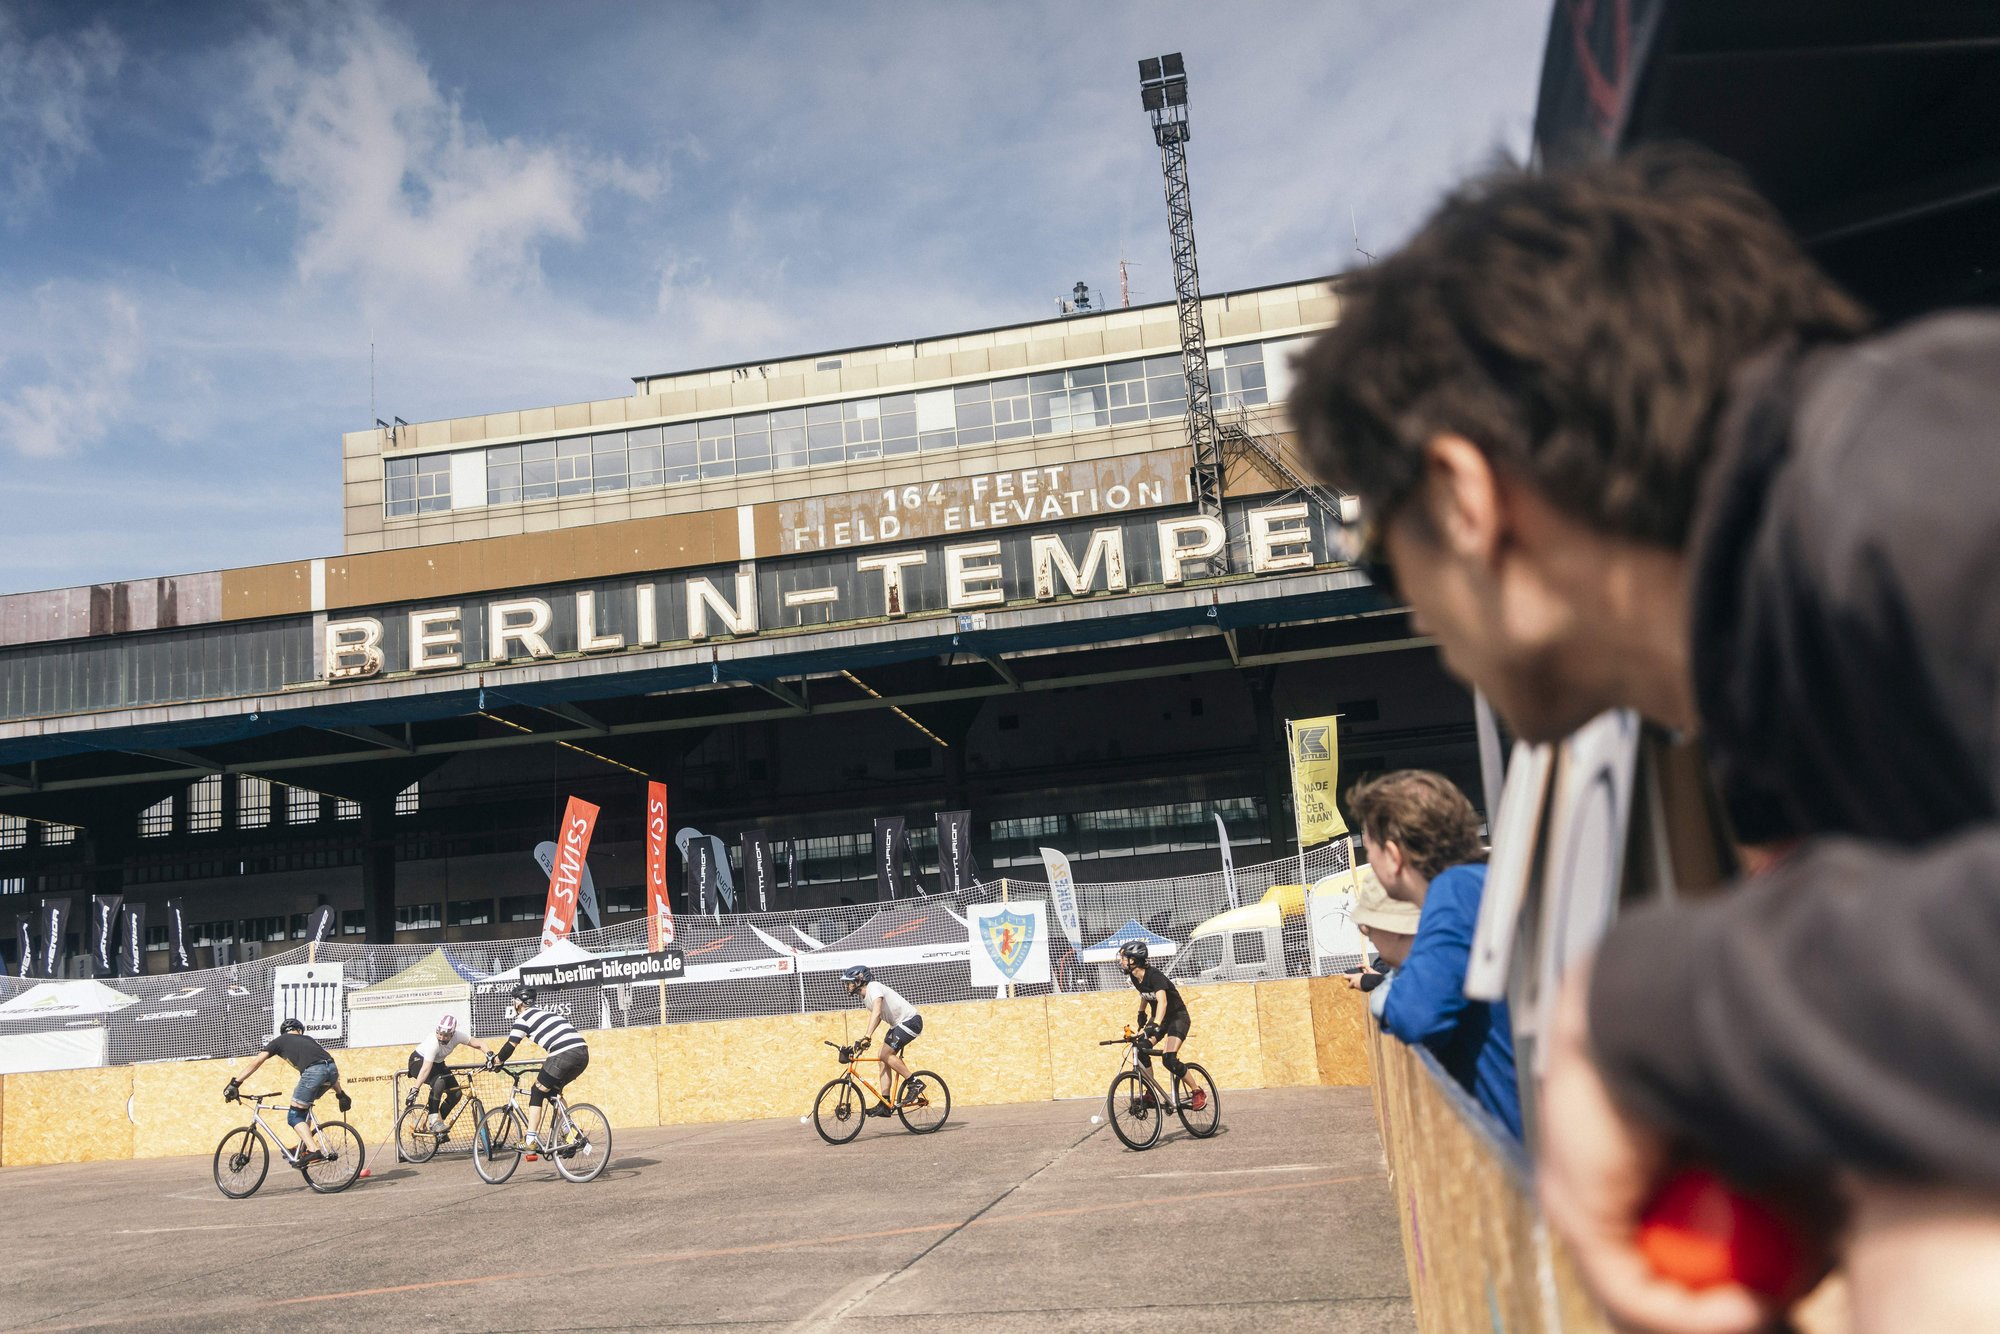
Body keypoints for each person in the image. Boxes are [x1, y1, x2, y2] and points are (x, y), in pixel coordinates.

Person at [1291, 143, 2000, 1330]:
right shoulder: (1772, 674)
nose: (1408, 609)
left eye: (1382, 555)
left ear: (1464, 494)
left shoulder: (1916, 476)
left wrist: (1648, 1002)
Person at [1348, 770, 1521, 1141]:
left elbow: (1416, 1015)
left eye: (1369, 851)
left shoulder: (1454, 891)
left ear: (1393, 856)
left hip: (1530, 1148)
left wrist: (1384, 996)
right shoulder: (1480, 882)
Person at [223, 1017, 352, 1164]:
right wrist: (340, 1094)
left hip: (314, 1073)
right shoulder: (308, 1039)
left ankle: (313, 1150)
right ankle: (303, 1146)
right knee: (304, 1107)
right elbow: (326, 1067)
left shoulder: (280, 1040)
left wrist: (235, 1083)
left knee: (294, 1116)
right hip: (332, 1070)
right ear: (299, 1030)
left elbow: (257, 1061)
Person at [484, 985, 588, 1155]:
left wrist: (496, 1061)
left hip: (563, 1053)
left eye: (513, 1001)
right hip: (582, 1053)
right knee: (553, 1091)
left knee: (537, 1090)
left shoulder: (523, 1018)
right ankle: (571, 1136)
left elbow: (511, 1045)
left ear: (517, 1002)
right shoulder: (546, 1013)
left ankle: (530, 1140)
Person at [1114, 940, 1202, 1113]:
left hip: (1177, 1018)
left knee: (1169, 1059)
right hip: (1159, 1019)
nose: (1121, 960)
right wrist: (1141, 1012)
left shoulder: (1155, 976)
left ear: (1135, 959)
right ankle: (1151, 1094)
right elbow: (1145, 993)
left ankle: (1197, 1091)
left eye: (1124, 957)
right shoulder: (1134, 976)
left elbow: (1162, 1001)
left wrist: (1155, 1024)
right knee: (1140, 1049)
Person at [841, 964, 925, 1115]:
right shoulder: (865, 998)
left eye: (850, 982)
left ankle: (915, 1083)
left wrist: (867, 1036)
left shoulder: (873, 987)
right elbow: (878, 1017)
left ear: (860, 980)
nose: (847, 985)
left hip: (910, 1021)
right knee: (882, 1058)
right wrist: (866, 1040)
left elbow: (877, 1011)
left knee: (885, 1054)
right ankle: (885, 1103)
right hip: (898, 1024)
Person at [405, 1013, 489, 1137]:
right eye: (440, 1034)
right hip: (419, 1061)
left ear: (453, 1034)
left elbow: (479, 1043)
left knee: (456, 1094)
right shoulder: (433, 1042)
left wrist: (490, 1054)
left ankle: (438, 1124)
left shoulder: (457, 1036)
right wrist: (415, 1089)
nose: (442, 1038)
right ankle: (433, 1121)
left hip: (437, 1063)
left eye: (446, 1036)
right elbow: (426, 1067)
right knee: (439, 1081)